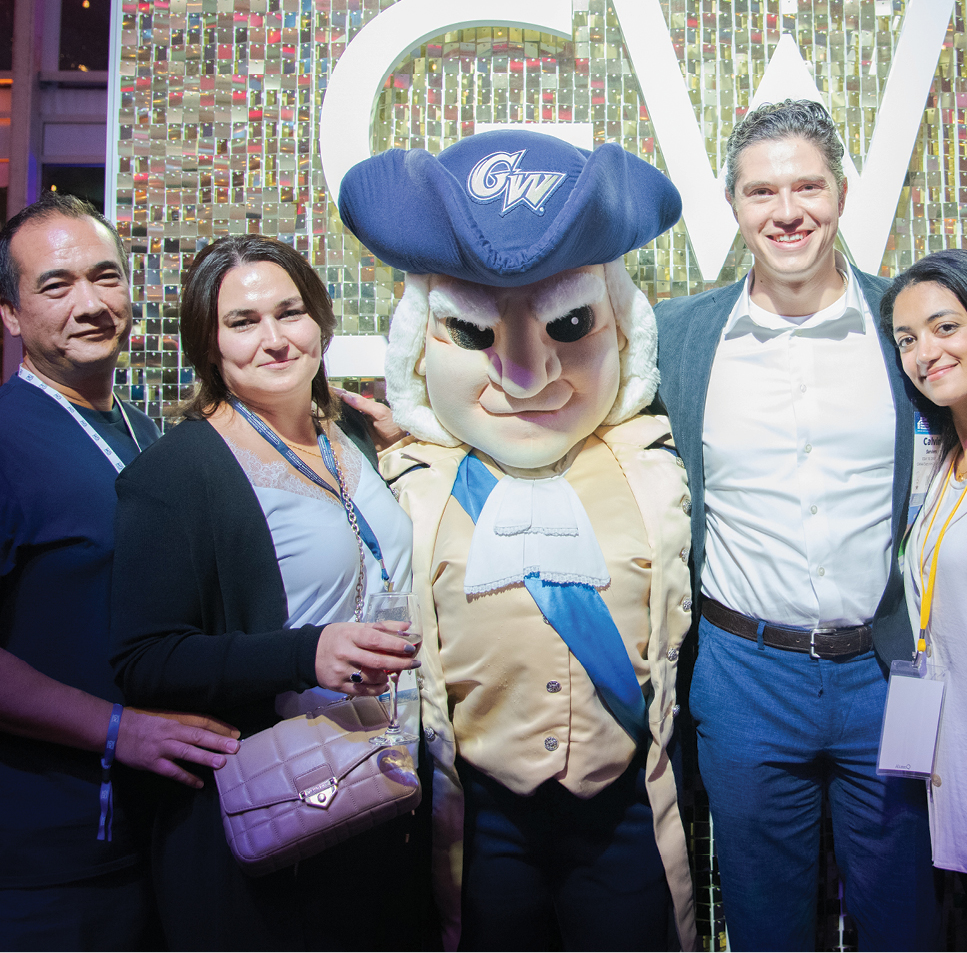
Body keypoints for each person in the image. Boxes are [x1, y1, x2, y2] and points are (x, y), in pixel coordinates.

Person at [339, 128, 696, 952]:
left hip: (622, 810)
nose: (527, 375)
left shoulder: (658, 469)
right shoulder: (404, 484)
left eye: (571, 323)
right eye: (473, 335)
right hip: (479, 817)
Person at [655, 99, 937, 951]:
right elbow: (572, 415)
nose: (787, 211)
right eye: (761, 192)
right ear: (735, 208)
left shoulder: (909, 325)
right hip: (743, 674)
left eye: (807, 185)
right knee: (763, 919)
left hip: (888, 671)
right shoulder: (676, 339)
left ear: (841, 194)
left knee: (903, 917)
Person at [108, 235, 420, 951]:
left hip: (381, 782)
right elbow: (144, 659)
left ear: (321, 322)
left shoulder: (352, 437)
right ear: (208, 344)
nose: (275, 340)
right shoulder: (180, 472)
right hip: (281, 810)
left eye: (291, 312)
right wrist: (304, 653)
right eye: (243, 322)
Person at [0, 193, 241, 952]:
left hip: (171, 834)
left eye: (105, 277)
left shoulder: (149, 433)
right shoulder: (7, 439)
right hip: (53, 857)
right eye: (56, 284)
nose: (91, 303)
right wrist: (115, 730)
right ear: (11, 315)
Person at [881, 247, 967, 953]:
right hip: (964, 774)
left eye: (945, 326)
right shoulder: (951, 463)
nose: (926, 351)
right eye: (907, 339)